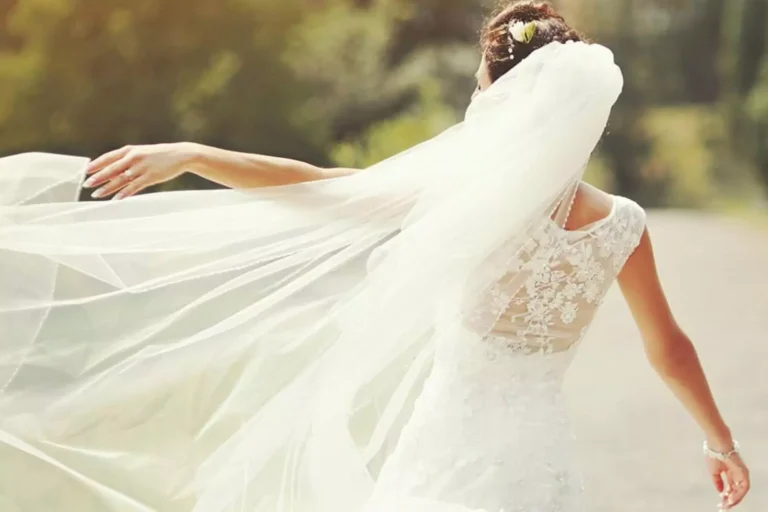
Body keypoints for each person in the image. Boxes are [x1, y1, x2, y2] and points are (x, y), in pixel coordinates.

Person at [0, 2, 749, 511]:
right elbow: (669, 346)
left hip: (447, 444)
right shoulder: (623, 224)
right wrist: (721, 441)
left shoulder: (466, 195)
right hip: (538, 458)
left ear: (501, 93)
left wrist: (195, 152)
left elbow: (328, 186)